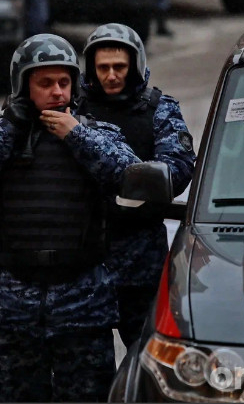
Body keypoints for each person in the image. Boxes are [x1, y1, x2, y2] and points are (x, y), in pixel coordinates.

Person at [0, 33, 140, 402]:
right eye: (45, 83)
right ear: (23, 87)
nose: (57, 92)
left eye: (64, 82)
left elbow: (130, 177)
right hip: (14, 308)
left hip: (82, 306)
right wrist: (9, 128)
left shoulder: (96, 133)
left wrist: (77, 136)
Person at [77, 23, 196, 347]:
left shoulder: (158, 108)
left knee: (149, 354)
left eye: (119, 67)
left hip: (140, 258)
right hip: (83, 262)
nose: (111, 75)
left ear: (135, 66)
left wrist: (135, 180)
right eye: (103, 67)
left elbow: (179, 168)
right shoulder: (73, 110)